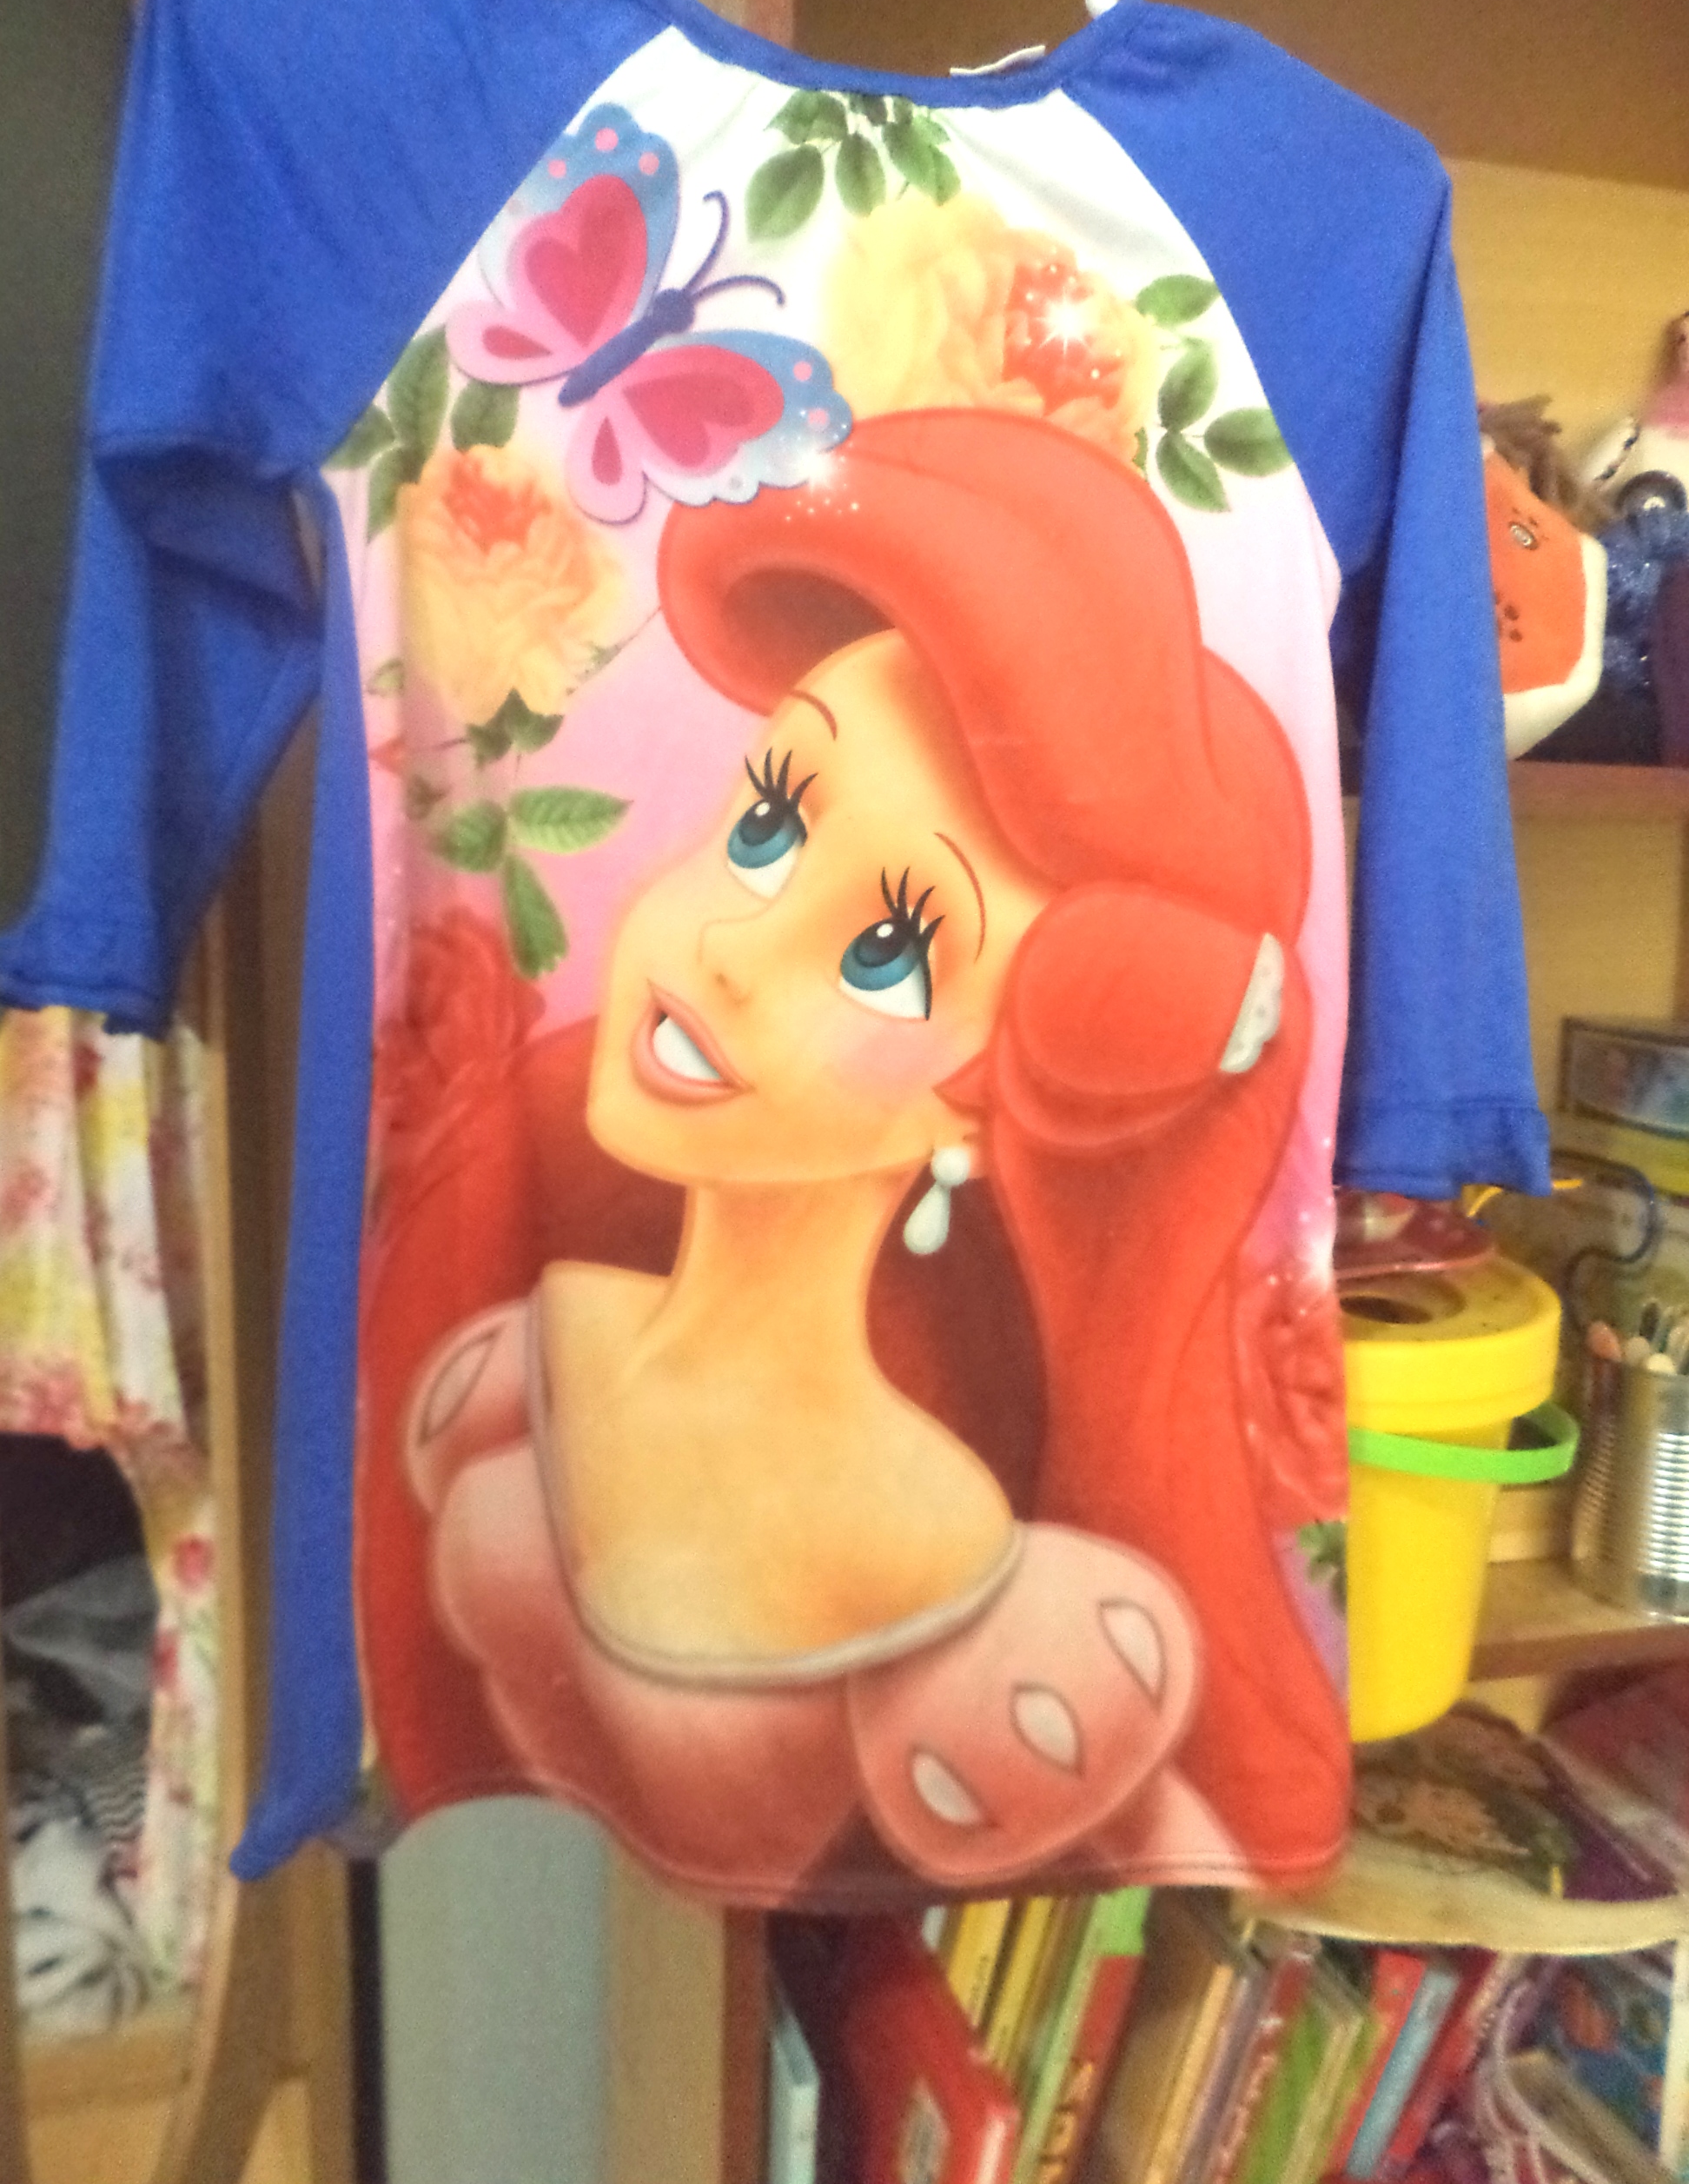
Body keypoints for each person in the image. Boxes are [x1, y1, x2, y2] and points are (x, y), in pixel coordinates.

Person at [360, 409, 1351, 1902]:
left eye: (891, 950)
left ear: (978, 1106)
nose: (735, 947)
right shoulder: (537, 1340)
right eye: (768, 823)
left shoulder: (942, 1555)